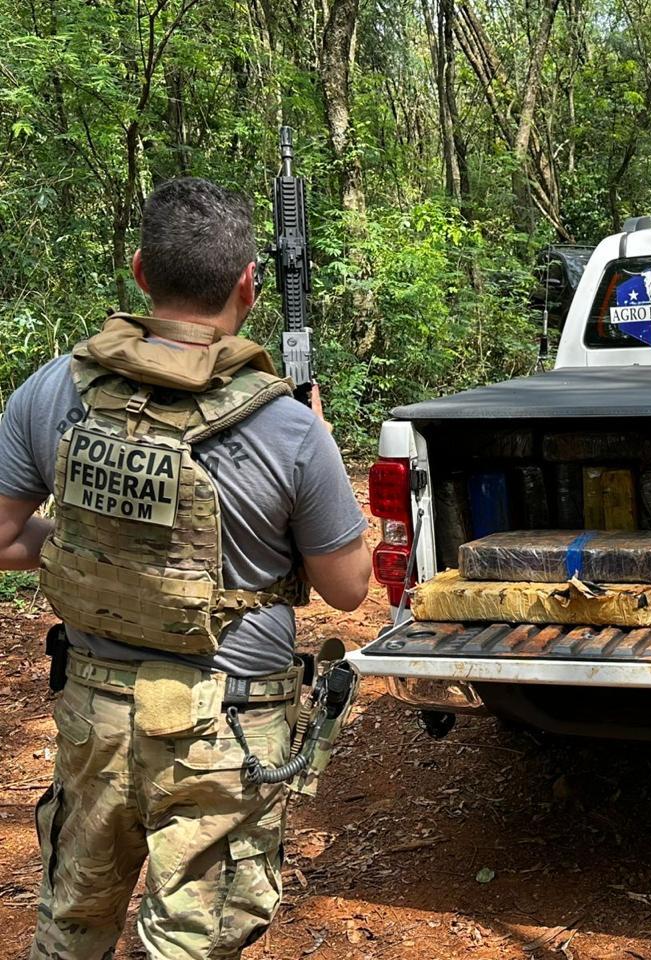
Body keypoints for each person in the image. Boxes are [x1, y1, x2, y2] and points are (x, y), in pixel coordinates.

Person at [0, 177, 372, 958]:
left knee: (71, 928)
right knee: (192, 944)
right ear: (248, 283)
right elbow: (346, 590)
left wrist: (87, 547)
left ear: (140, 271)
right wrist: (318, 441)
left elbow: (2, 538)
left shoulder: (50, 390)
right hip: (228, 723)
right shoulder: (289, 427)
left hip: (94, 713)